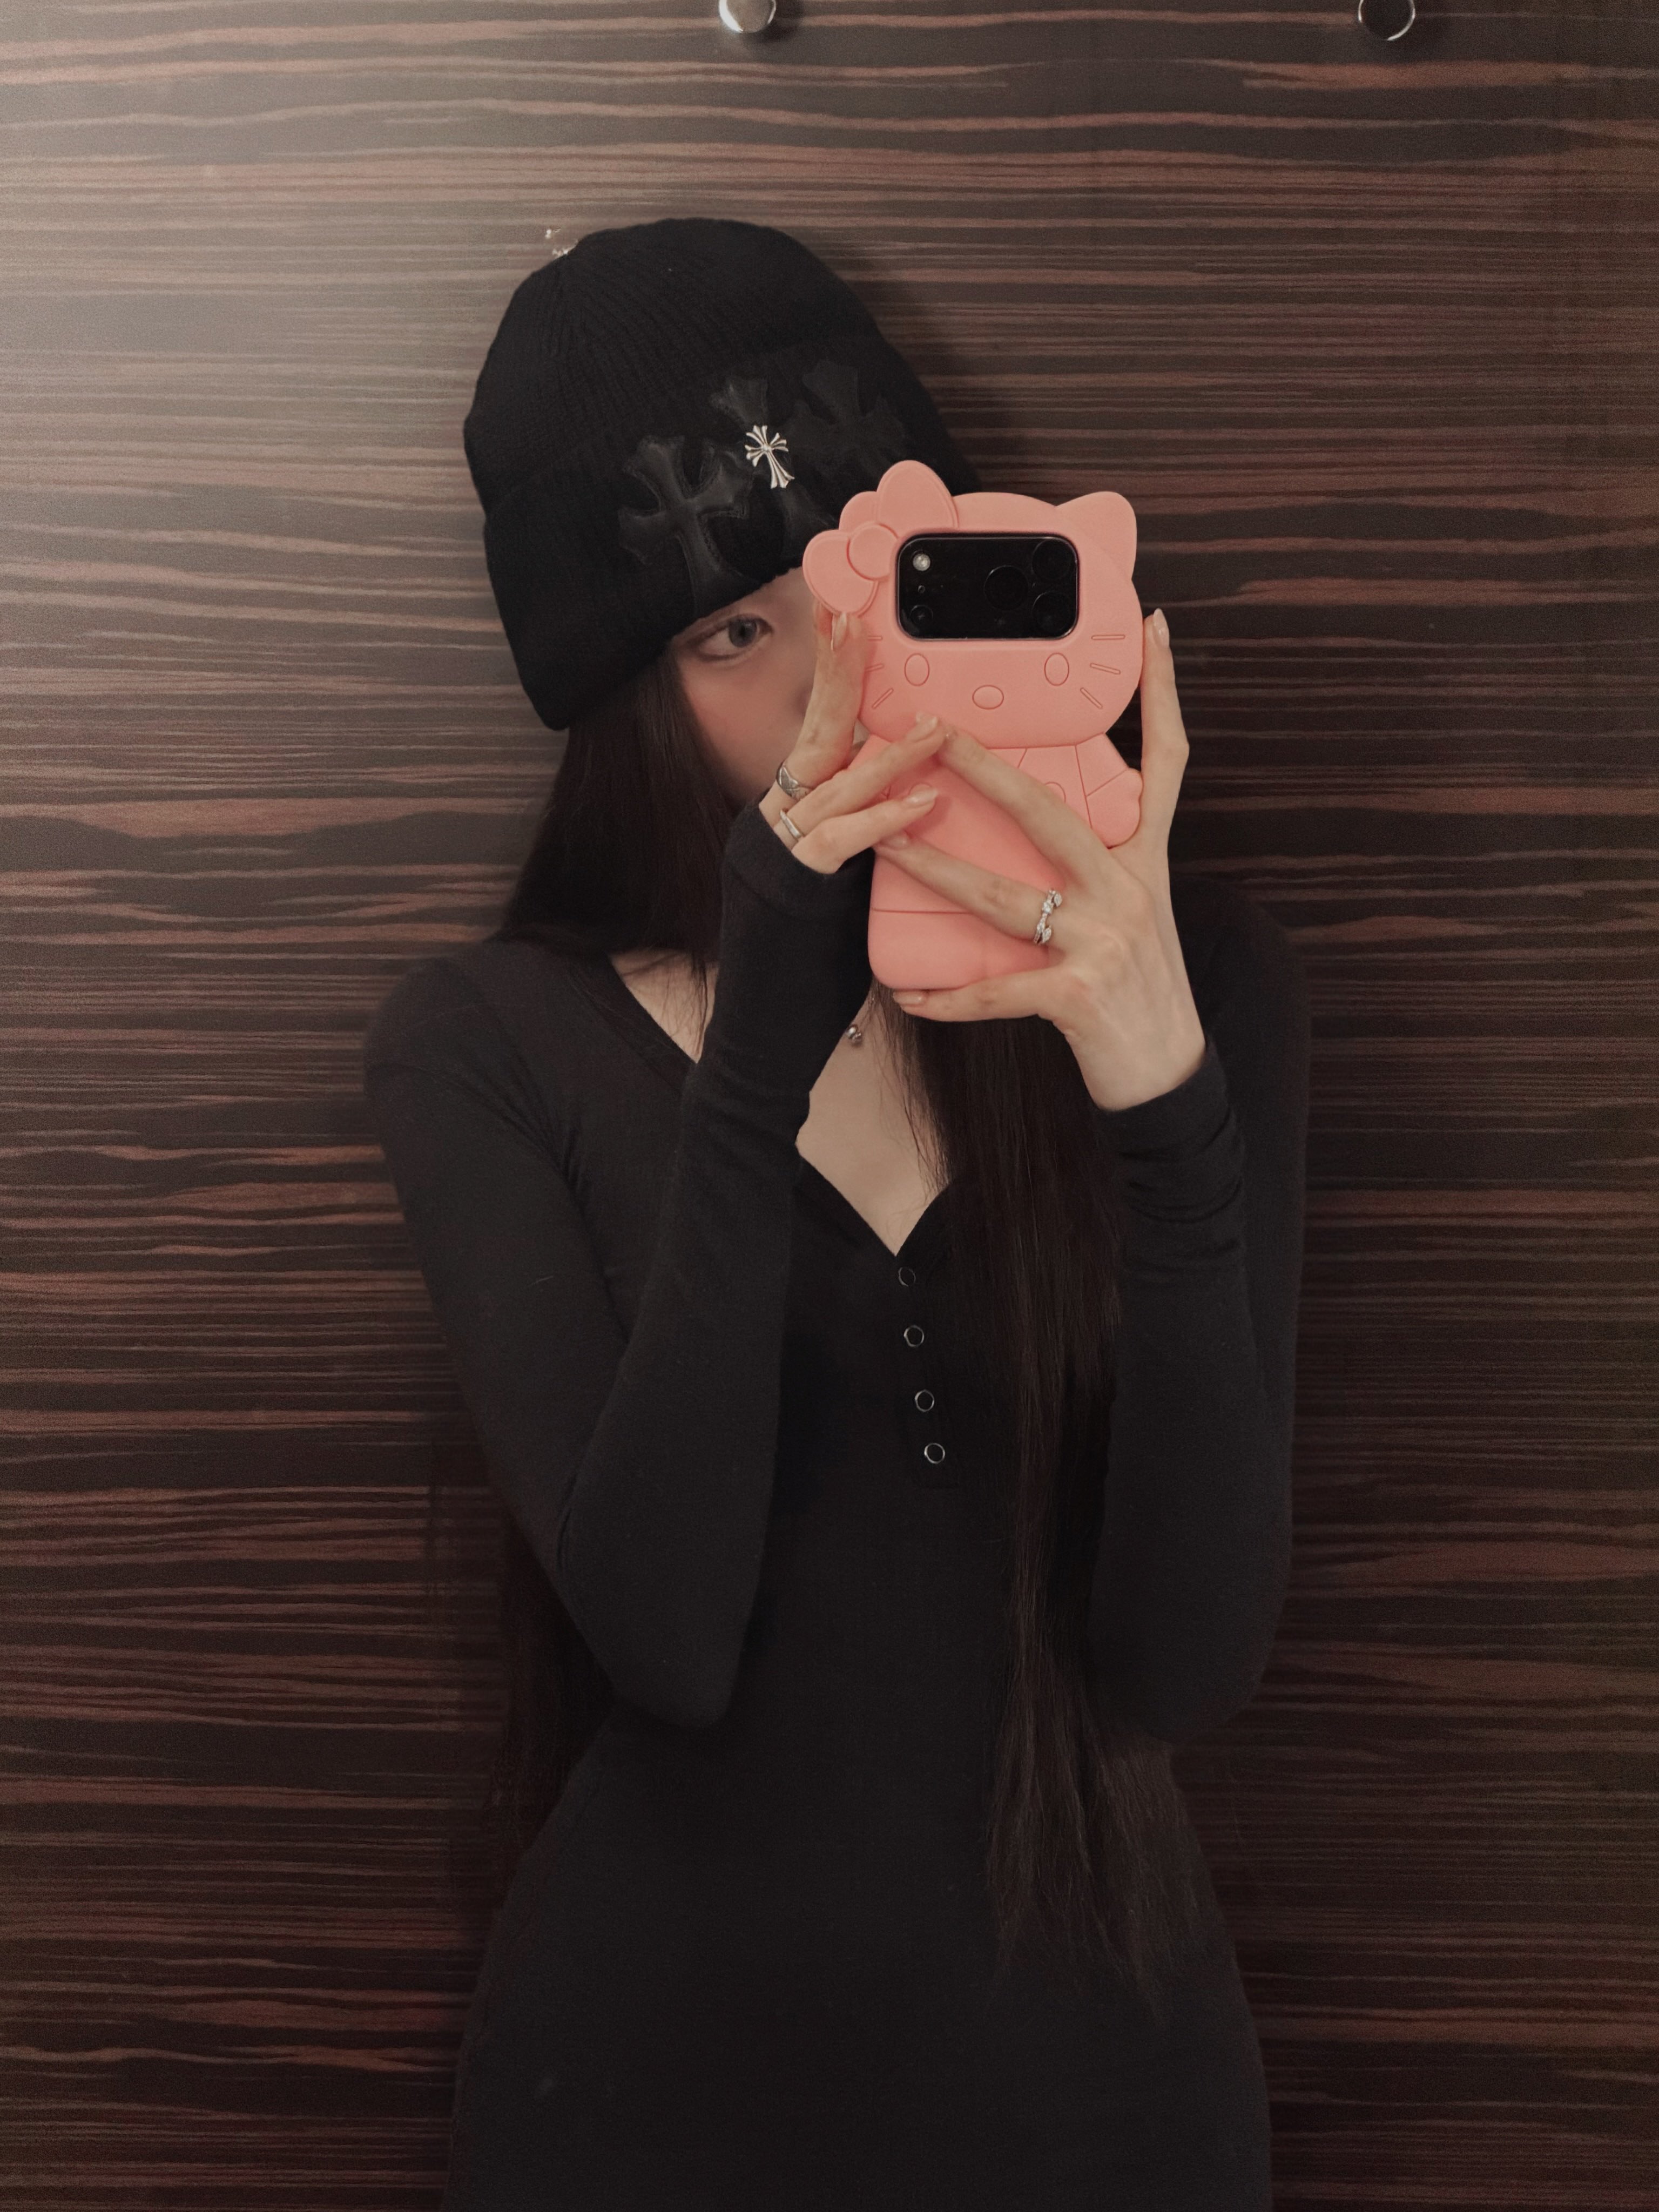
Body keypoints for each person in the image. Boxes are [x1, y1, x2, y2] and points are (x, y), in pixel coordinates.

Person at [363, 216, 1310, 2211]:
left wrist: (1163, 1098)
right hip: (644, 2106)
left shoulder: (1183, 981)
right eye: (734, 636)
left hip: (1107, 2104)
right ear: (633, 695)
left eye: (860, 591)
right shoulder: (490, 1043)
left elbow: (1182, 1663)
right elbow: (666, 1636)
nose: (835, 691)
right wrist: (759, 1052)